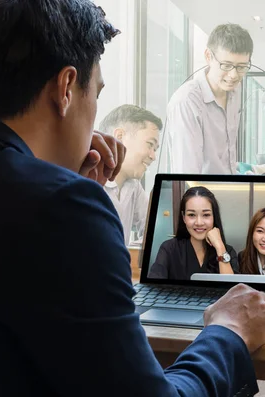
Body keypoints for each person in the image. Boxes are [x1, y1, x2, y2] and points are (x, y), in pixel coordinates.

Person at [0, 1, 265, 396]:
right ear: (65, 89)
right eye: (95, 92)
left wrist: (56, 175)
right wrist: (228, 331)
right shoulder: (63, 209)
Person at [159, 23, 253, 174]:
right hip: (201, 195)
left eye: (241, 67)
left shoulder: (235, 91)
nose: (234, 75)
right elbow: (186, 175)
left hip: (228, 190)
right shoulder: (187, 102)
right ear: (208, 56)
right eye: (226, 65)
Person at [99, 104, 162, 245]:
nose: (153, 156)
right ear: (120, 137)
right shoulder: (89, 181)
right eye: (150, 144)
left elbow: (153, 233)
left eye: (155, 149)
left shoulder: (133, 186)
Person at [149, 186, 239, 280]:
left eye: (206, 215)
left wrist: (220, 247)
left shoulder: (227, 251)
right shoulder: (169, 248)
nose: (199, 222)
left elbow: (233, 290)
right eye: (191, 215)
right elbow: (154, 287)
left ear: (214, 217)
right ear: (184, 217)